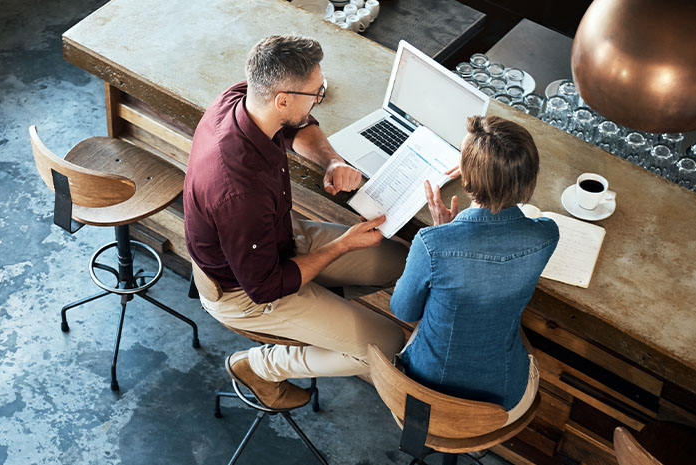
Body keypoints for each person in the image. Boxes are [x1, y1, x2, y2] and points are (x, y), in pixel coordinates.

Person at [184, 35, 408, 409]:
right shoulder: (239, 192)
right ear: (282, 99)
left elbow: (296, 126)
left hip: (277, 238)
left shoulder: (243, 98)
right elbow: (266, 287)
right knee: (388, 344)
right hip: (246, 291)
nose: (319, 98)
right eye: (314, 93)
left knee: (399, 262)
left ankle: (321, 309)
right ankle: (260, 366)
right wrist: (342, 246)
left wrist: (333, 161)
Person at [391, 115, 559, 425]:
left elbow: (403, 310)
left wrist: (446, 232)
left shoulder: (431, 244)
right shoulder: (547, 235)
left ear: (466, 178)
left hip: (423, 396)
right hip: (500, 405)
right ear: (529, 179)